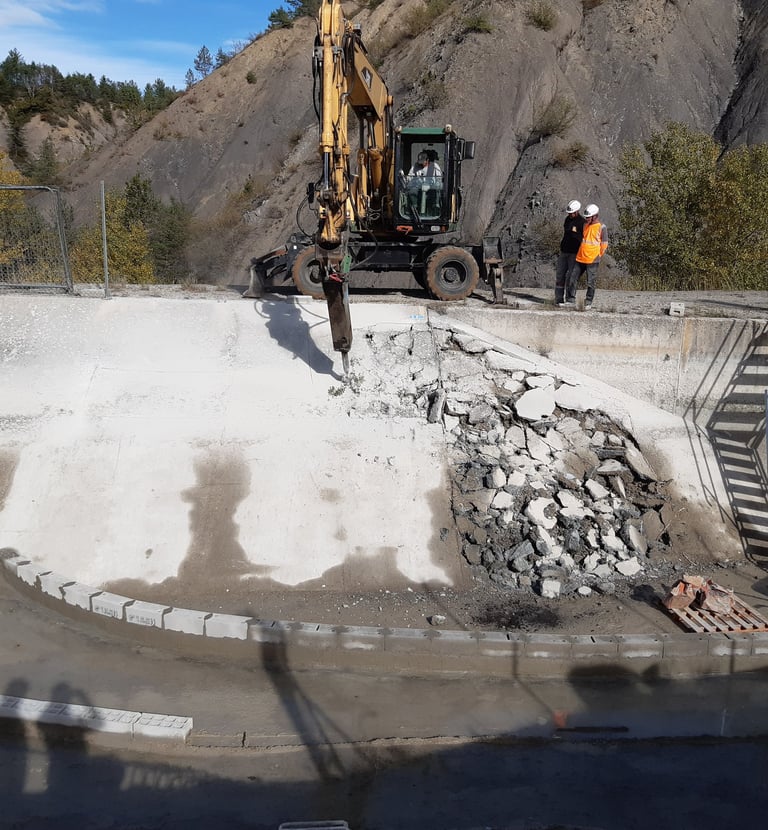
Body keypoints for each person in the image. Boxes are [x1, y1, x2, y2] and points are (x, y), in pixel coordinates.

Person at [566, 203, 608, 309]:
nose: (587, 219)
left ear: (595, 216)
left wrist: (598, 255)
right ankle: (570, 300)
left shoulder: (601, 227)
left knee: (591, 282)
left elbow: (604, 244)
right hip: (580, 257)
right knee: (572, 278)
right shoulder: (585, 225)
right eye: (586, 217)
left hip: (592, 260)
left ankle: (588, 302)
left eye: (589, 217)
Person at [555, 199, 583, 306]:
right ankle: (558, 299)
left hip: (574, 254)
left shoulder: (582, 223)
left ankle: (570, 299)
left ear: (576, 211)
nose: (570, 214)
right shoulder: (567, 220)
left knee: (571, 277)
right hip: (564, 252)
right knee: (560, 275)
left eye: (571, 212)